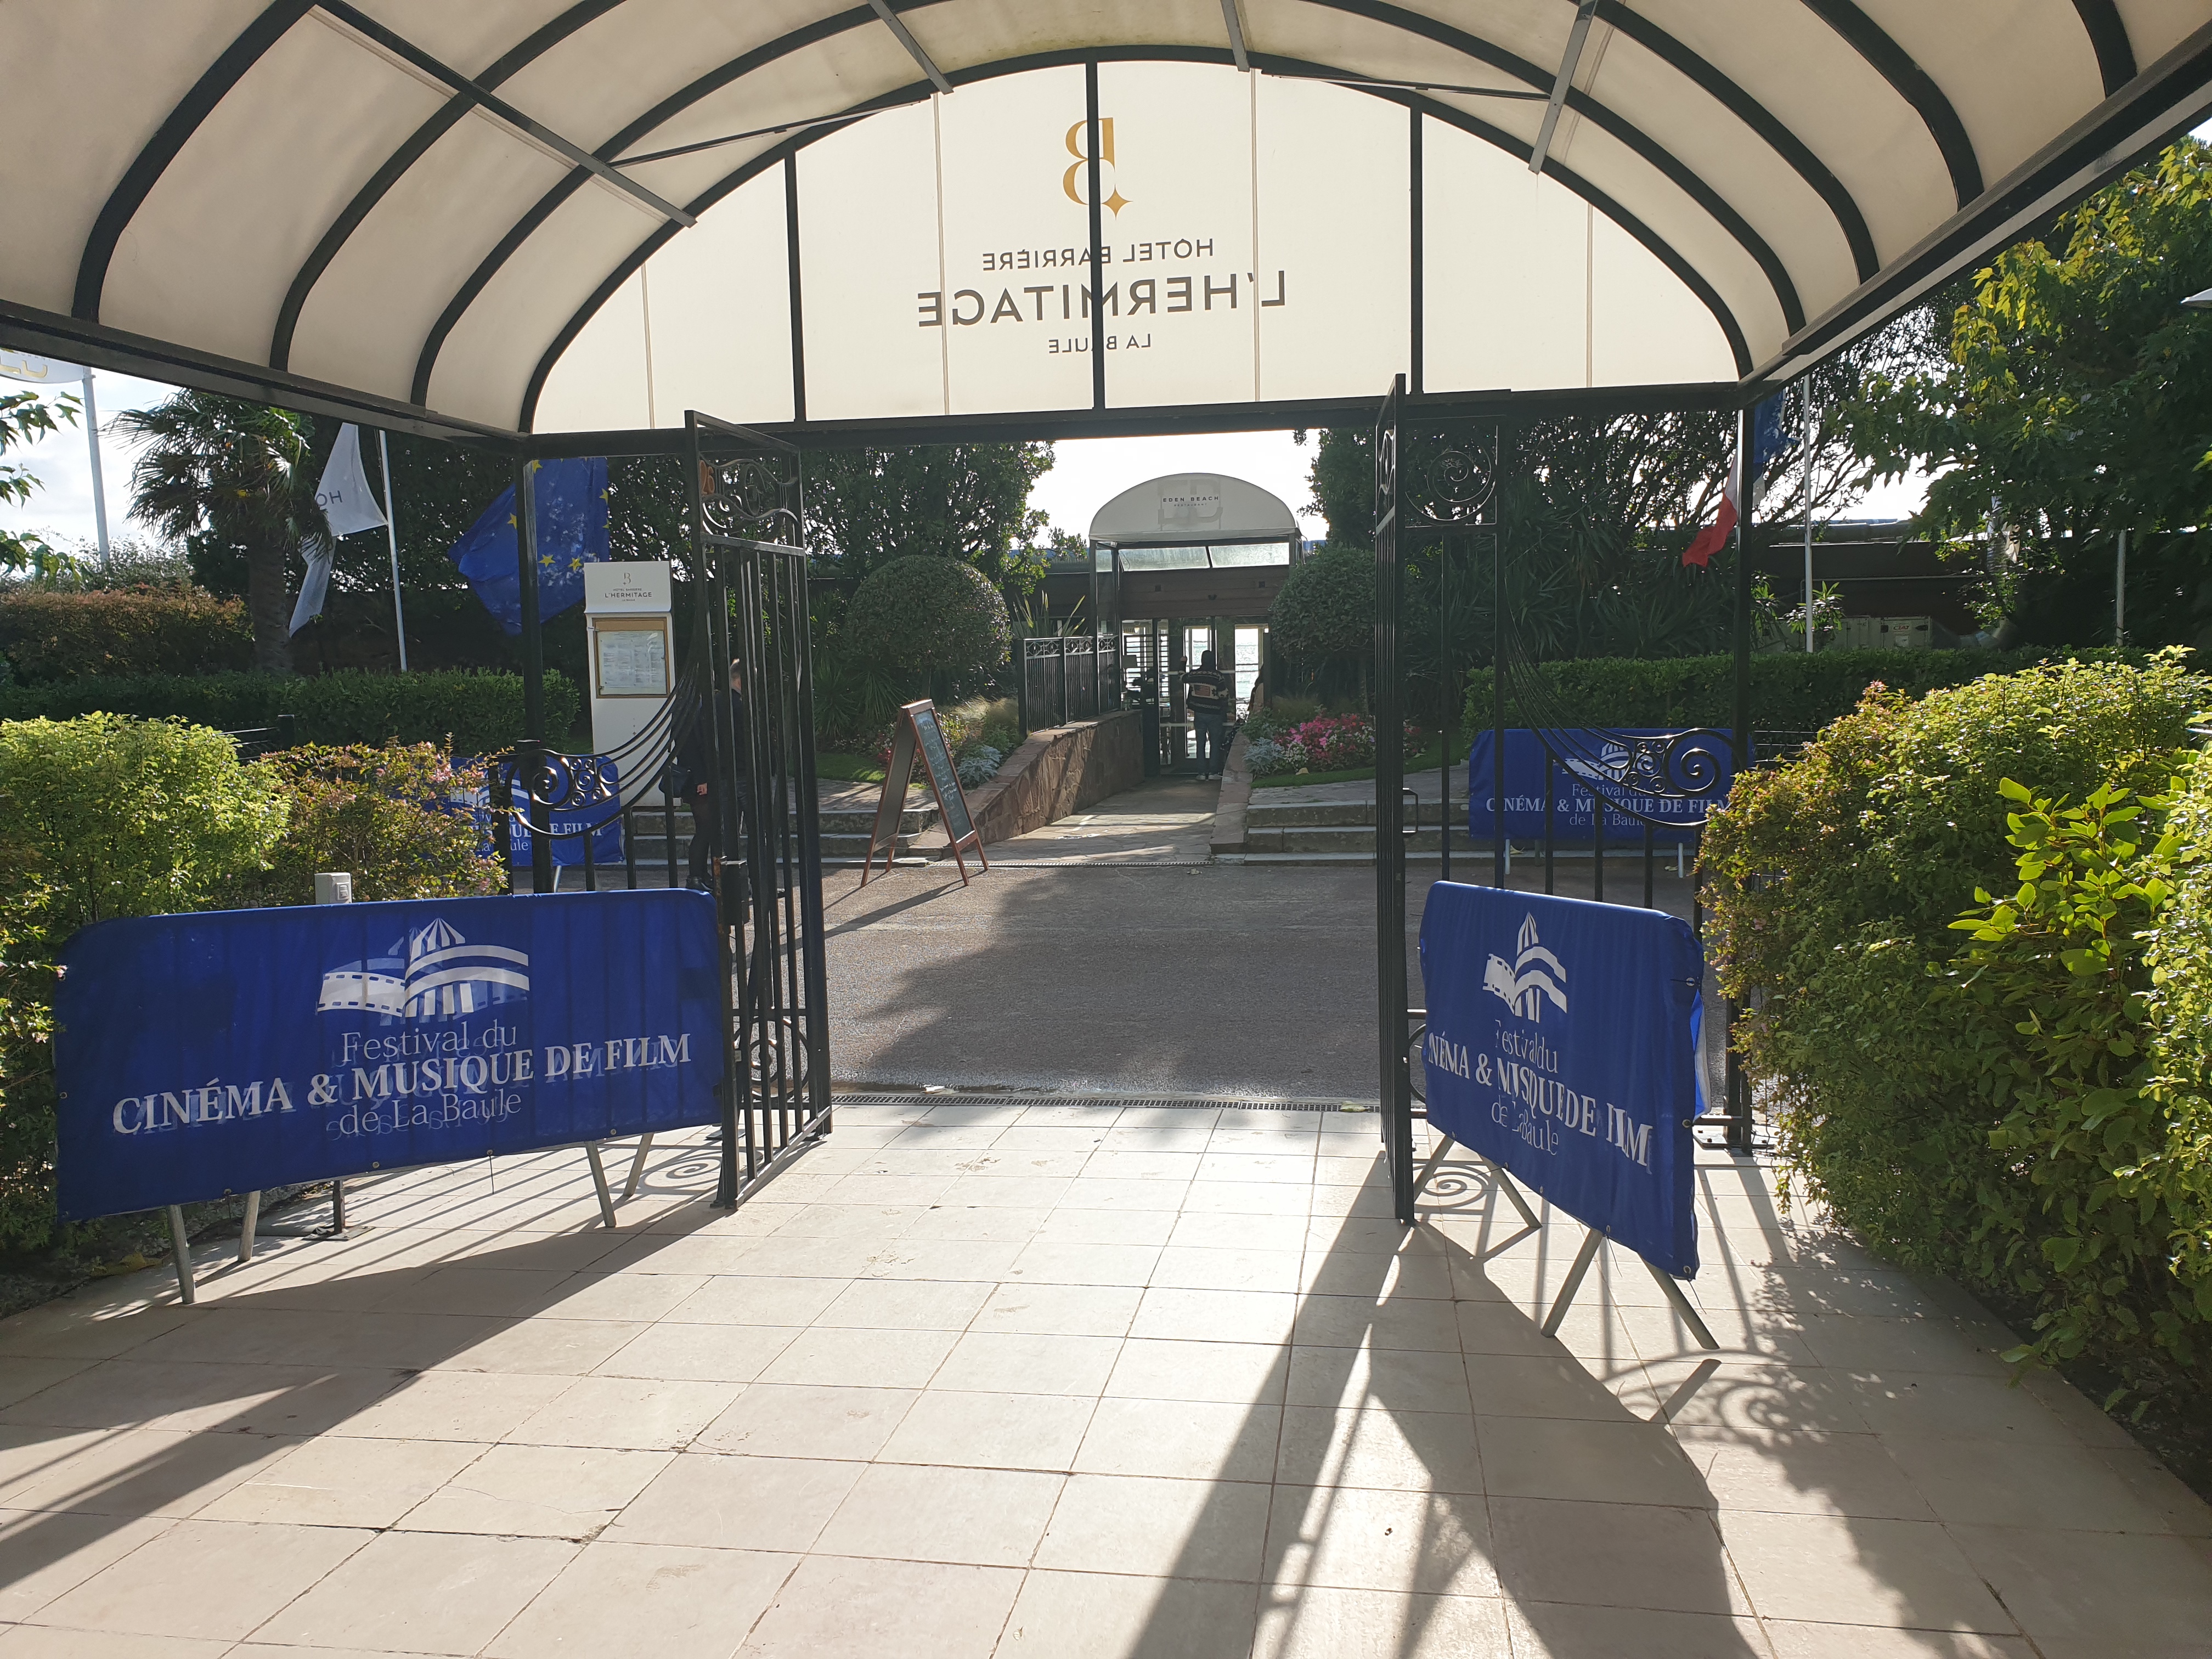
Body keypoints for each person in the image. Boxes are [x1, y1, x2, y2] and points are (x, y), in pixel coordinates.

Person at [676, 659, 747, 894]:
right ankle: (696, 877)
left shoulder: (689, 704)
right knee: (706, 829)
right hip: (698, 778)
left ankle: (700, 875)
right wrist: (702, 779)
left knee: (708, 829)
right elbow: (693, 747)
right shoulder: (693, 707)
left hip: (698, 776)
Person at [1184, 648, 1232, 780]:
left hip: (1199, 713)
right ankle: (1213, 773)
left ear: (1202, 660)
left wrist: (1183, 663)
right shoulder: (1217, 676)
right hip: (1215, 714)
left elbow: (1181, 678)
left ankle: (1201, 773)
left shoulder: (1194, 674)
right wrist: (1224, 705)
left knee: (1200, 743)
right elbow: (1224, 694)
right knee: (1215, 743)